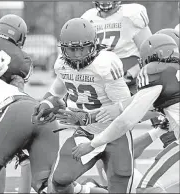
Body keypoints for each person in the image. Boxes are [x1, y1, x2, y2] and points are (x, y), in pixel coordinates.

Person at [32, 18, 134, 193]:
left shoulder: (105, 64)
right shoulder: (62, 65)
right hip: (86, 132)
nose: (78, 55)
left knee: (120, 183)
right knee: (59, 181)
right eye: (72, 49)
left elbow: (127, 108)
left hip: (115, 133)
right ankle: (88, 190)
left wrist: (88, 117)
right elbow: (56, 91)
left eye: (82, 48)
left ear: (93, 46)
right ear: (63, 48)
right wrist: (45, 103)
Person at [71, 33, 180, 193]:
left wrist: (93, 144)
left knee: (146, 189)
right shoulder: (171, 79)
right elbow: (130, 105)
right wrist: (95, 115)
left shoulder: (156, 73)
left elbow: (126, 121)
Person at [0, 14, 61, 193]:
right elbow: (18, 95)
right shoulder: (21, 60)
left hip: (4, 108)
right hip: (16, 109)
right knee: (24, 157)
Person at [81, 1, 152, 95]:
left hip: (133, 80)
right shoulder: (87, 18)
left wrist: (131, 74)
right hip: (101, 81)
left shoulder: (131, 15)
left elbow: (151, 53)